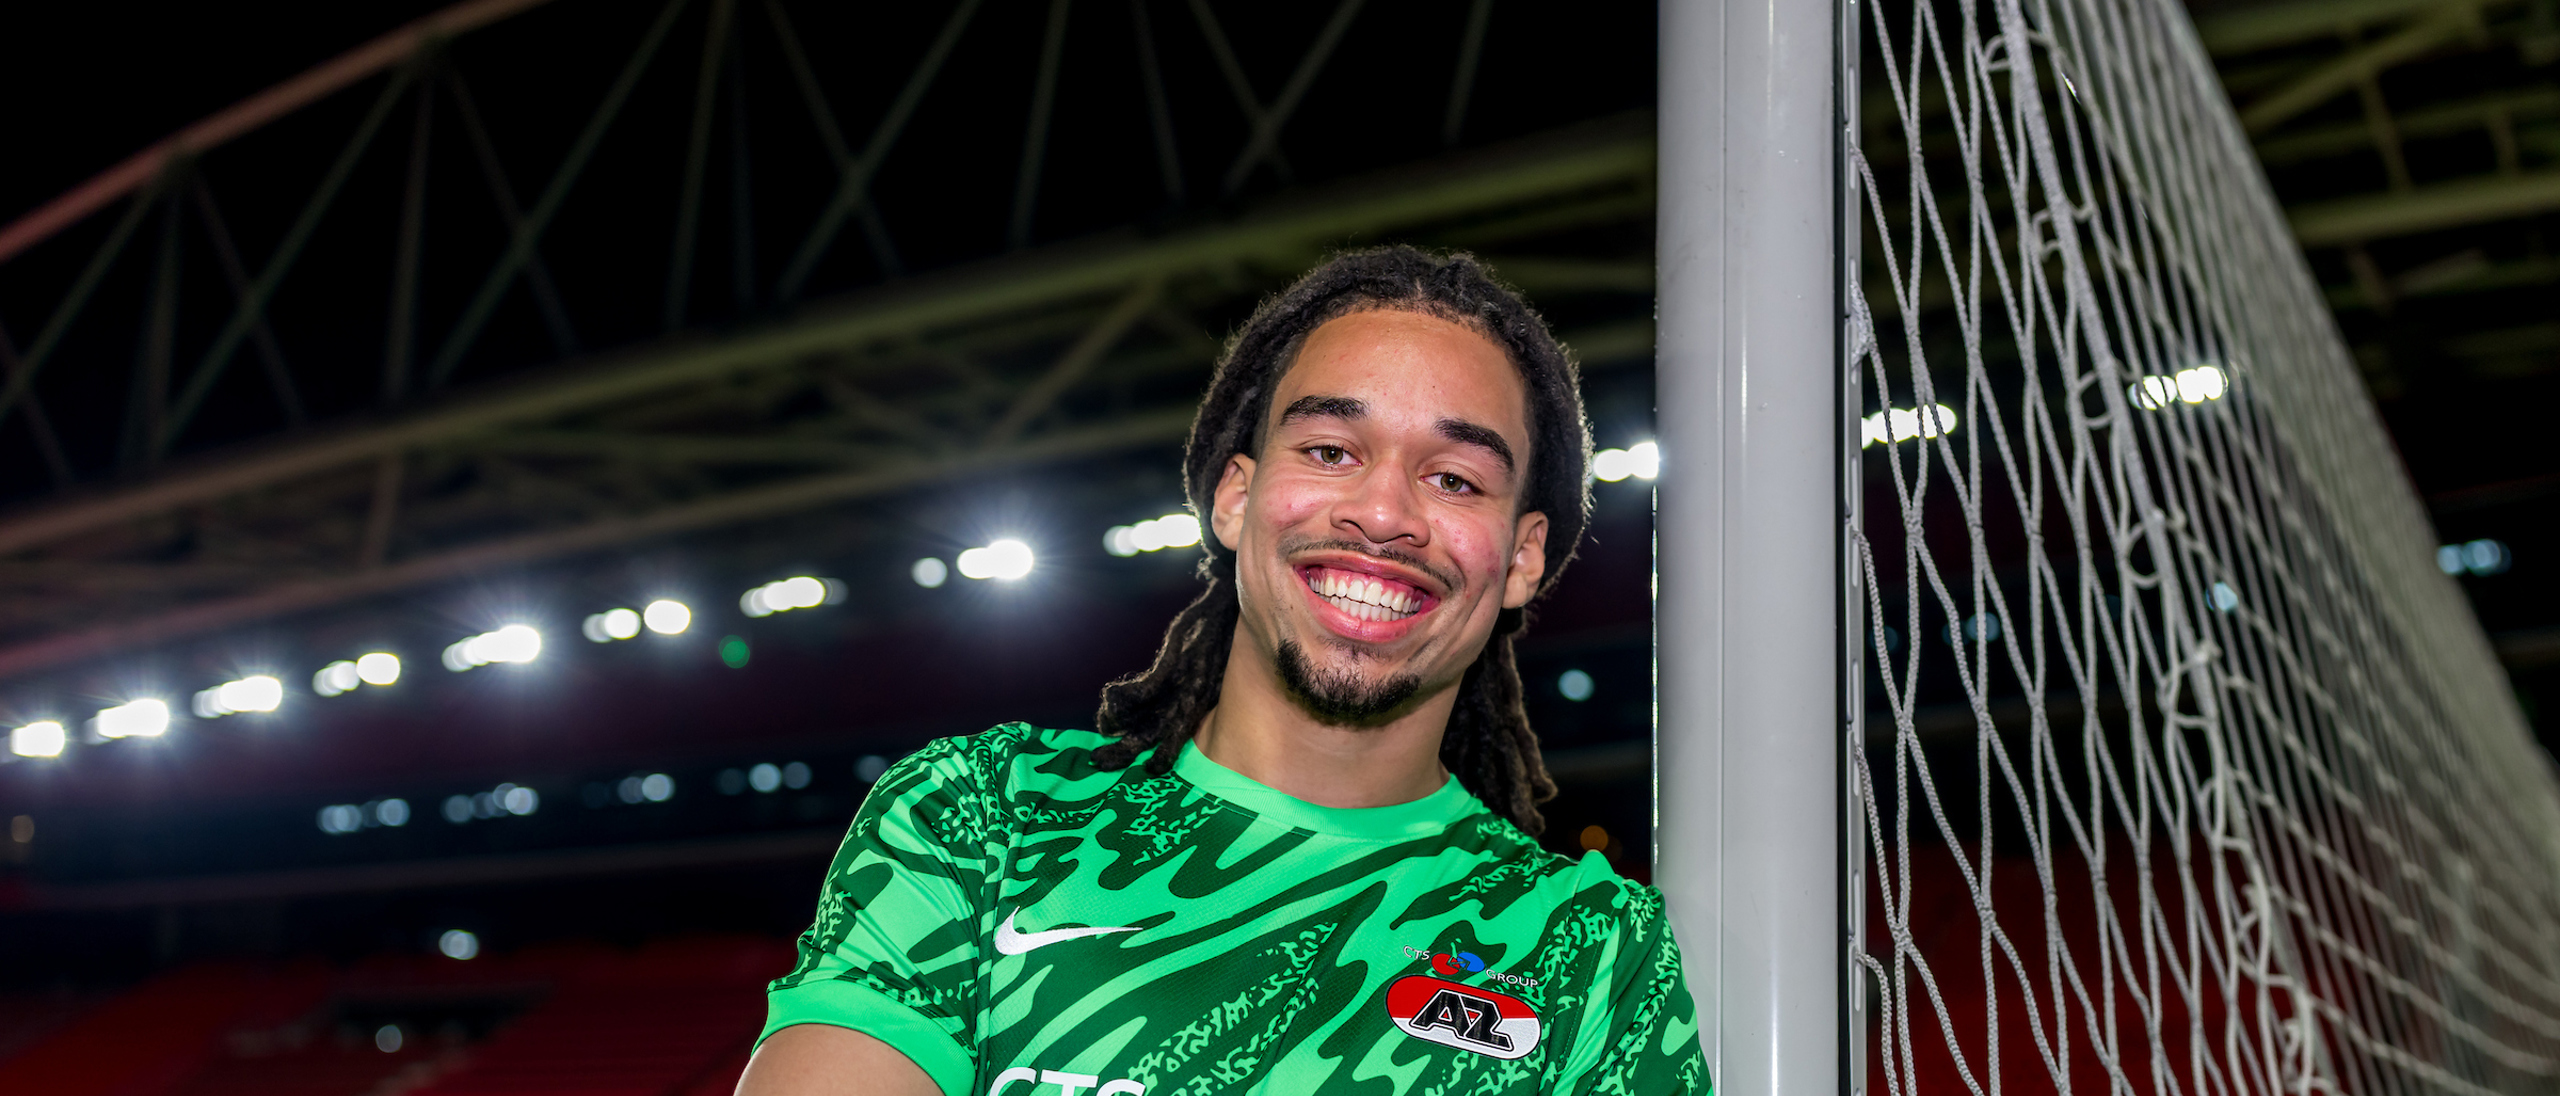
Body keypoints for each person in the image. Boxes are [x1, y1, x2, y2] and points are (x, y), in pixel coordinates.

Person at [737, 247, 1707, 1096]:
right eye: (1330, 450)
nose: (1383, 513)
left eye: (1454, 477)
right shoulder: (982, 819)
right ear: (1235, 497)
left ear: (1524, 556)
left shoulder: (1594, 952)